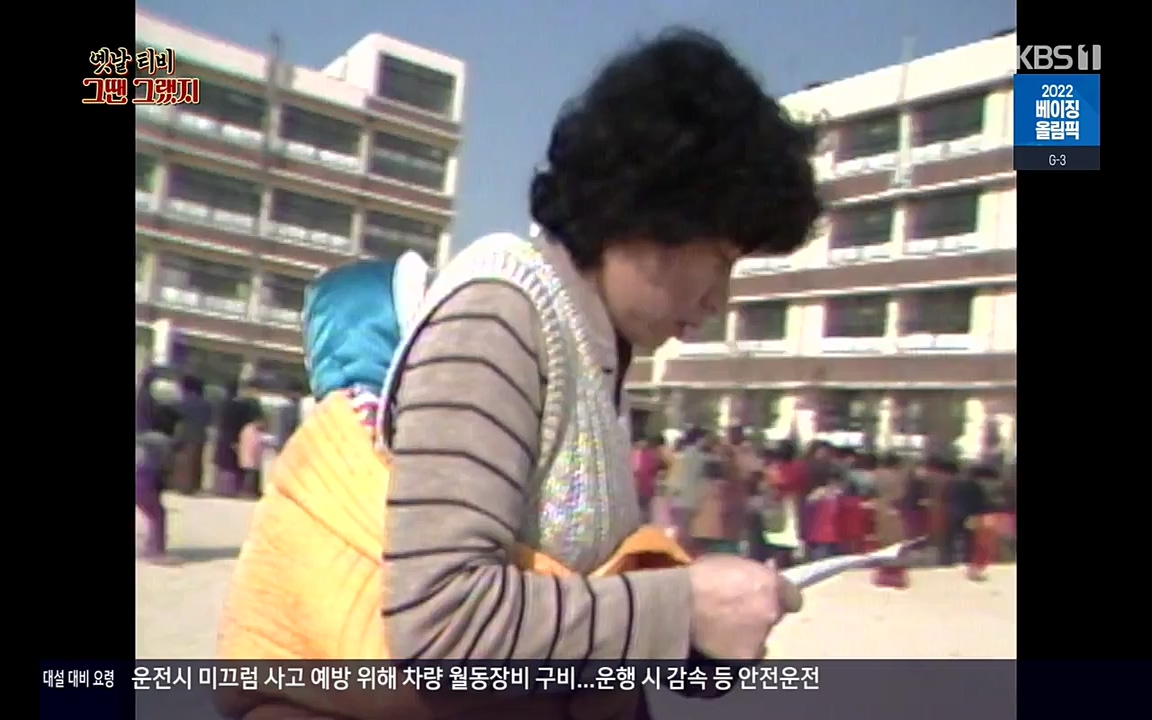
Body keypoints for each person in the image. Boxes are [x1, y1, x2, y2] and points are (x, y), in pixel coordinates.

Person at [217, 28, 819, 720]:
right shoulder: (503, 317)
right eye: (720, 258)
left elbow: (565, 589)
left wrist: (696, 637)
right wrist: (679, 609)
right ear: (649, 212)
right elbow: (444, 627)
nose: (719, 300)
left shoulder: (592, 345)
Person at [135, 368, 179, 565]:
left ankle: (151, 547)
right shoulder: (160, 440)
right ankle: (155, 550)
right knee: (157, 513)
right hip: (143, 477)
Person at [871, 451, 911, 588]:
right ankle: (894, 576)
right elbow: (900, 494)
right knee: (896, 543)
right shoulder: (899, 476)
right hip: (893, 509)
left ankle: (883, 574)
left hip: (879, 508)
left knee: (883, 542)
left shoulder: (876, 475)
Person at [170, 374, 211, 495]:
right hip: (199, 435)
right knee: (196, 462)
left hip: (184, 435)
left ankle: (183, 486)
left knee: (184, 462)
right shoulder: (205, 403)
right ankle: (193, 486)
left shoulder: (183, 402)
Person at [212, 380, 248, 497]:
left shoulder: (221, 404)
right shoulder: (241, 406)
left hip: (223, 435)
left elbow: (217, 422)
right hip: (235, 435)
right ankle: (232, 489)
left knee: (222, 463)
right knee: (233, 463)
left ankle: (220, 488)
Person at [237, 402, 266, 499]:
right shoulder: (250, 430)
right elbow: (253, 443)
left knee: (254, 475)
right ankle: (248, 492)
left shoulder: (252, 429)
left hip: (253, 457)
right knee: (250, 476)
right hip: (250, 457)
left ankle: (253, 491)